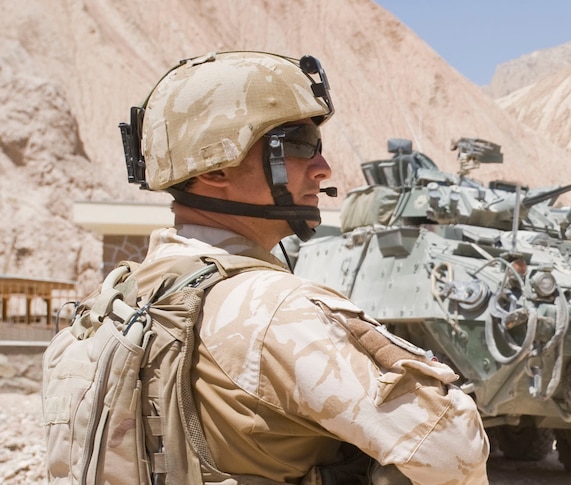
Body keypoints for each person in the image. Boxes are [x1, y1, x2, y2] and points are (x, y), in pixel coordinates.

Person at [120, 50, 489, 484]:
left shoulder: (118, 300)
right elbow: (452, 447)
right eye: (298, 146)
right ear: (216, 165)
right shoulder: (274, 309)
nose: (323, 168)